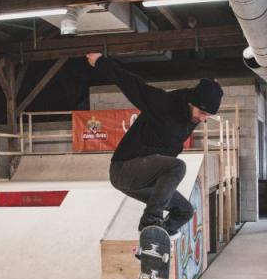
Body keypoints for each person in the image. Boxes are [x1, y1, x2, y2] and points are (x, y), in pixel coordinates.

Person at [87, 52, 223, 237]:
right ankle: (150, 221)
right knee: (177, 166)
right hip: (125, 168)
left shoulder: (192, 117)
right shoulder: (163, 103)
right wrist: (100, 62)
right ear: (191, 102)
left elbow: (206, 96)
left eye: (208, 116)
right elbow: (132, 84)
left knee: (184, 211)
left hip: (146, 181)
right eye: (202, 113)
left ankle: (154, 240)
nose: (203, 119)